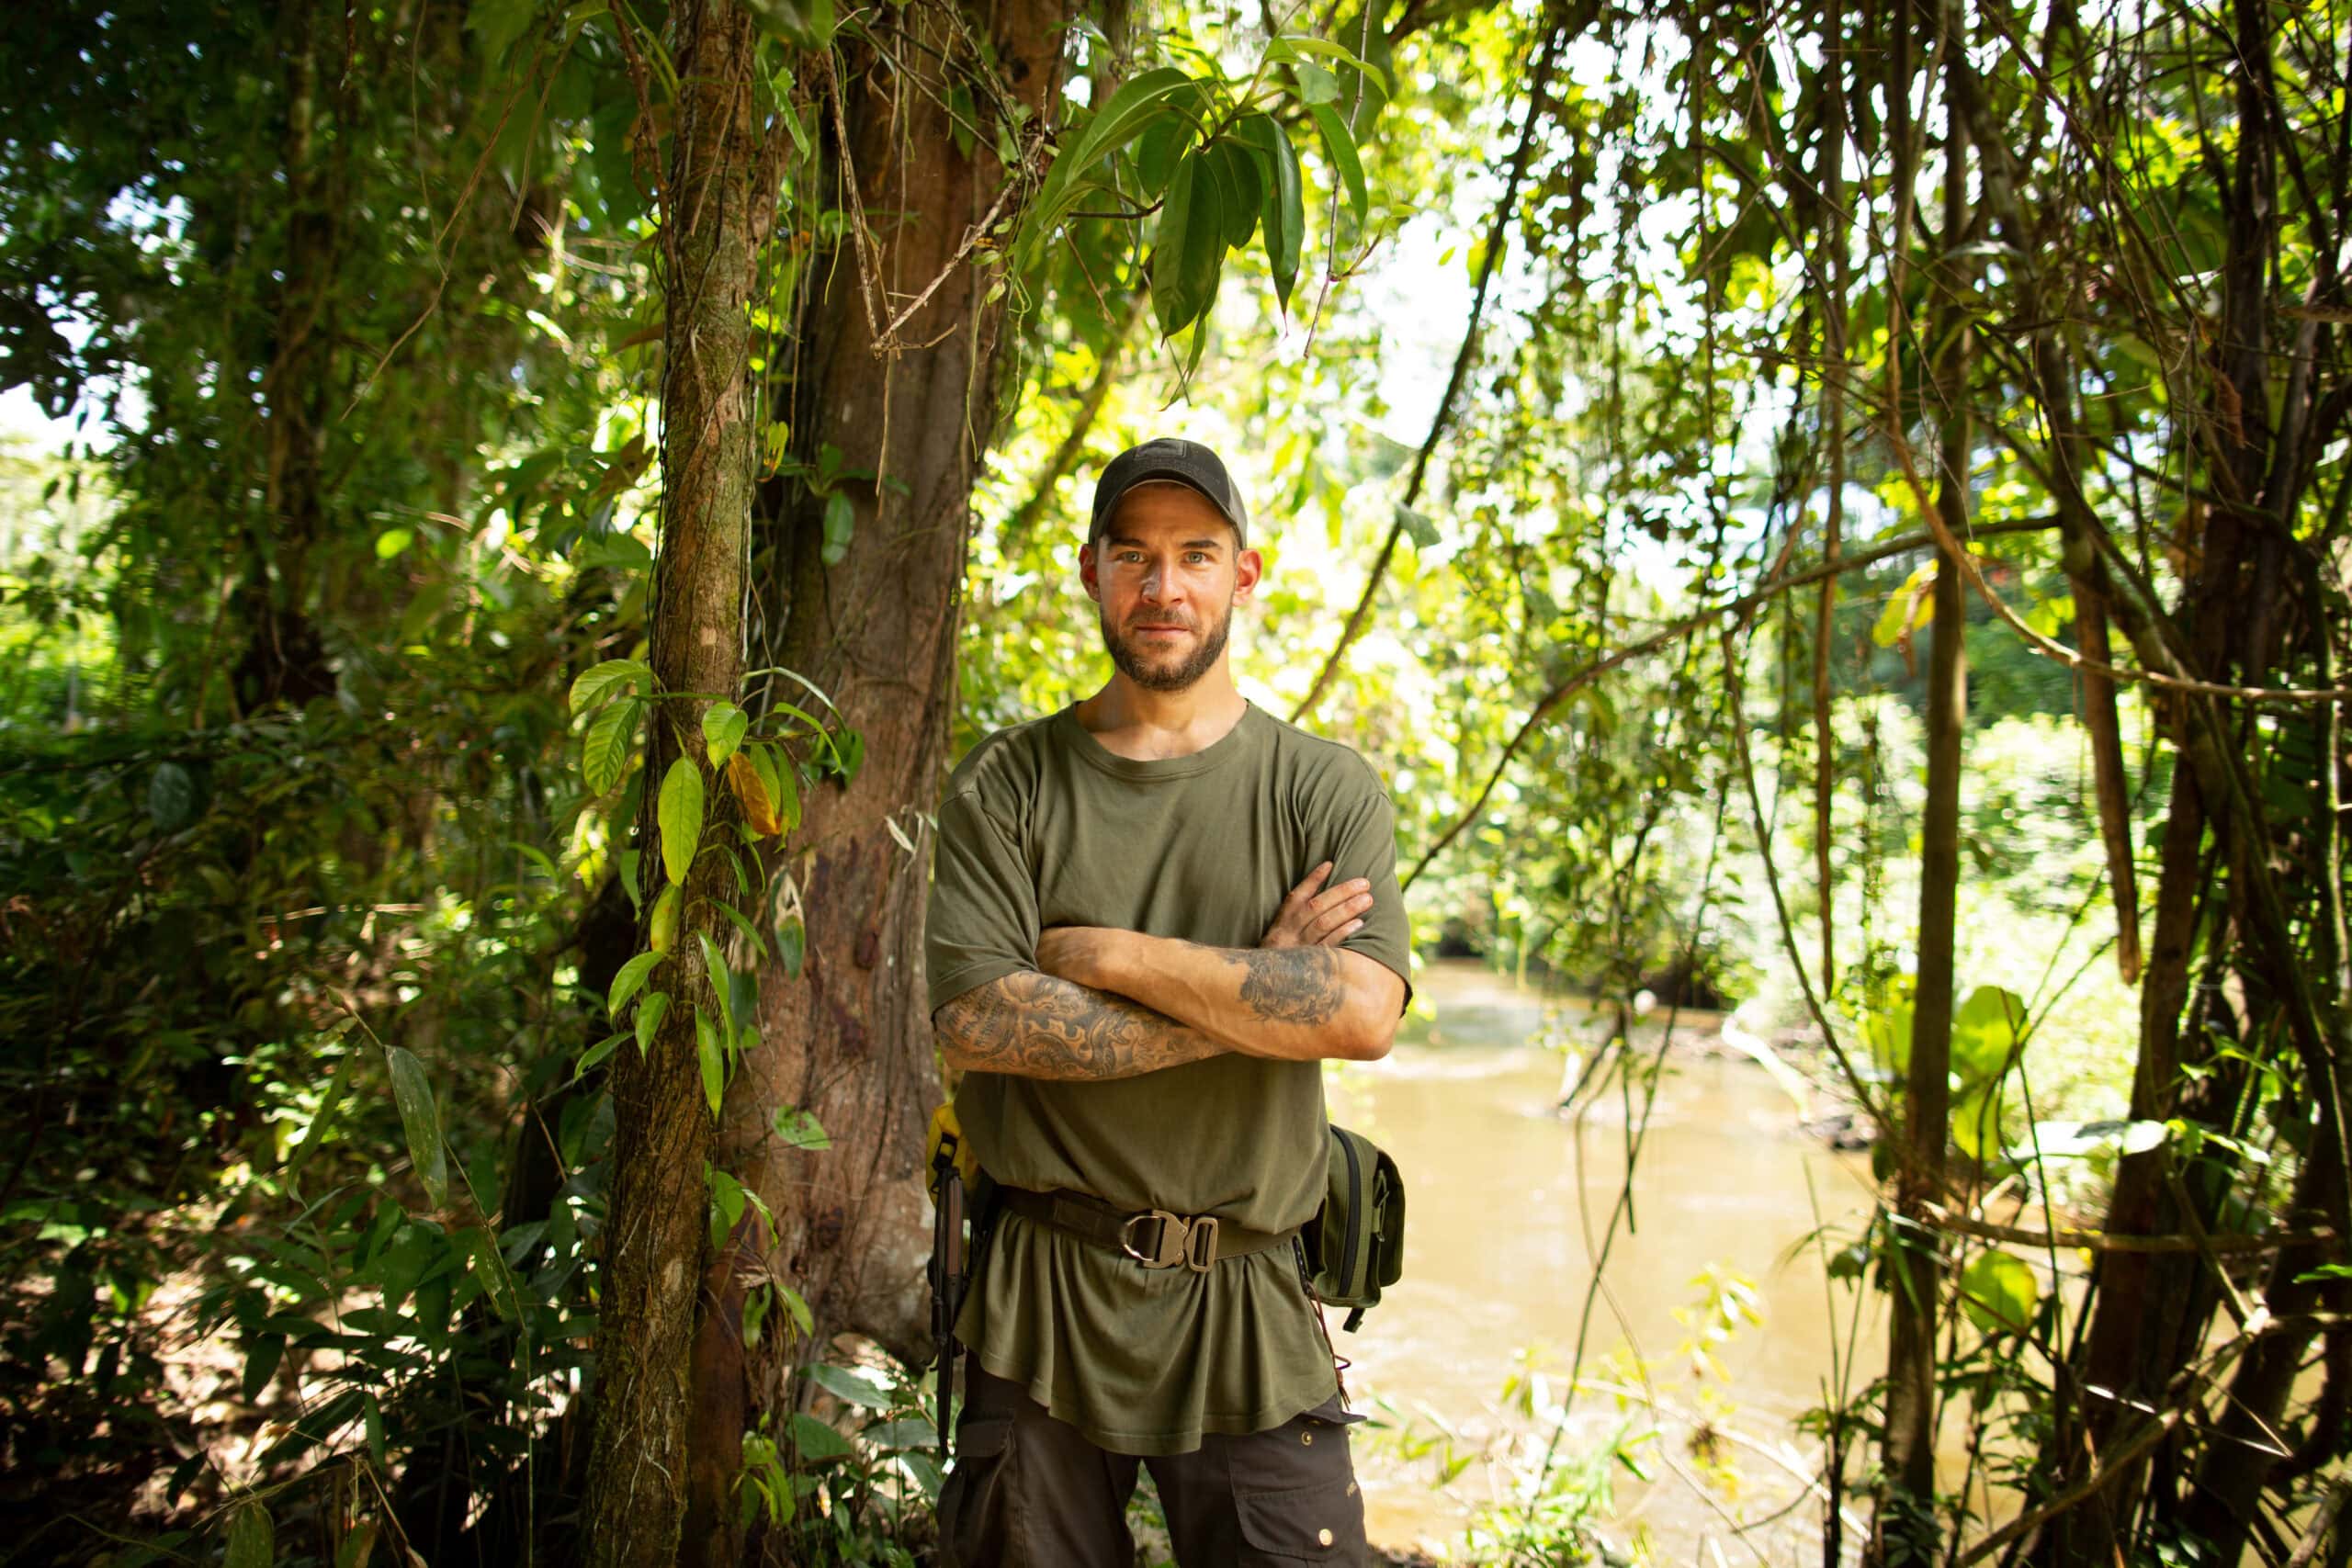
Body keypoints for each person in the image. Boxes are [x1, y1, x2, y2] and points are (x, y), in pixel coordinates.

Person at [924, 436, 1413, 1565]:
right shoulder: (1008, 785)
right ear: (1089, 570)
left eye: (1196, 555)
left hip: (1250, 1290)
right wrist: (1254, 987)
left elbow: (1360, 1015)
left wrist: (1113, 955)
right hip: (1042, 1285)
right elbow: (981, 1020)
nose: (1163, 587)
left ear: (1244, 574)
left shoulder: (1320, 787)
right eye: (1133, 556)